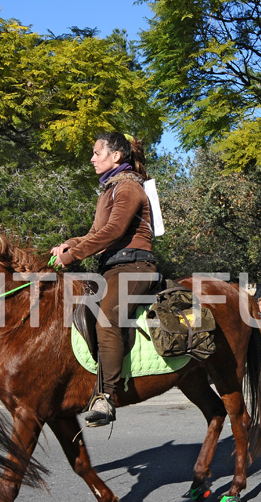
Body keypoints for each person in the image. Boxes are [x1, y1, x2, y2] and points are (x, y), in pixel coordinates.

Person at [50, 132, 159, 427]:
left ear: (116, 156)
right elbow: (96, 233)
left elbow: (112, 232)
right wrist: (68, 244)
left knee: (107, 316)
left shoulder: (128, 188)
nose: (92, 158)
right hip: (111, 268)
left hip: (135, 268)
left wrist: (72, 257)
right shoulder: (109, 190)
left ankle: (106, 397)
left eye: (98, 153)